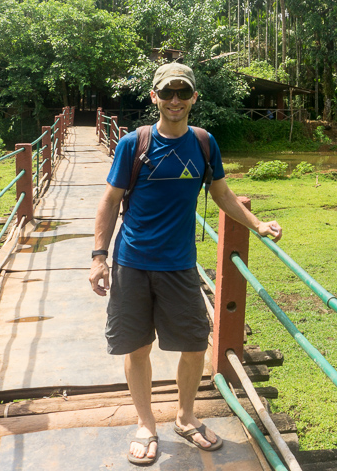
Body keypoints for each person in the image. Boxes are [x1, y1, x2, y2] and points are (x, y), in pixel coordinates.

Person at [89, 62, 282, 466]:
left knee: (196, 345)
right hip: (132, 262)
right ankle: (145, 424)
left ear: (194, 97)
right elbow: (109, 201)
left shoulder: (204, 143)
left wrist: (257, 224)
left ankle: (185, 416)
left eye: (182, 92)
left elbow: (222, 194)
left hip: (179, 265)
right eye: (167, 92)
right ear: (154, 97)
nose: (174, 100)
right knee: (138, 346)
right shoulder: (134, 144)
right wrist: (98, 257)